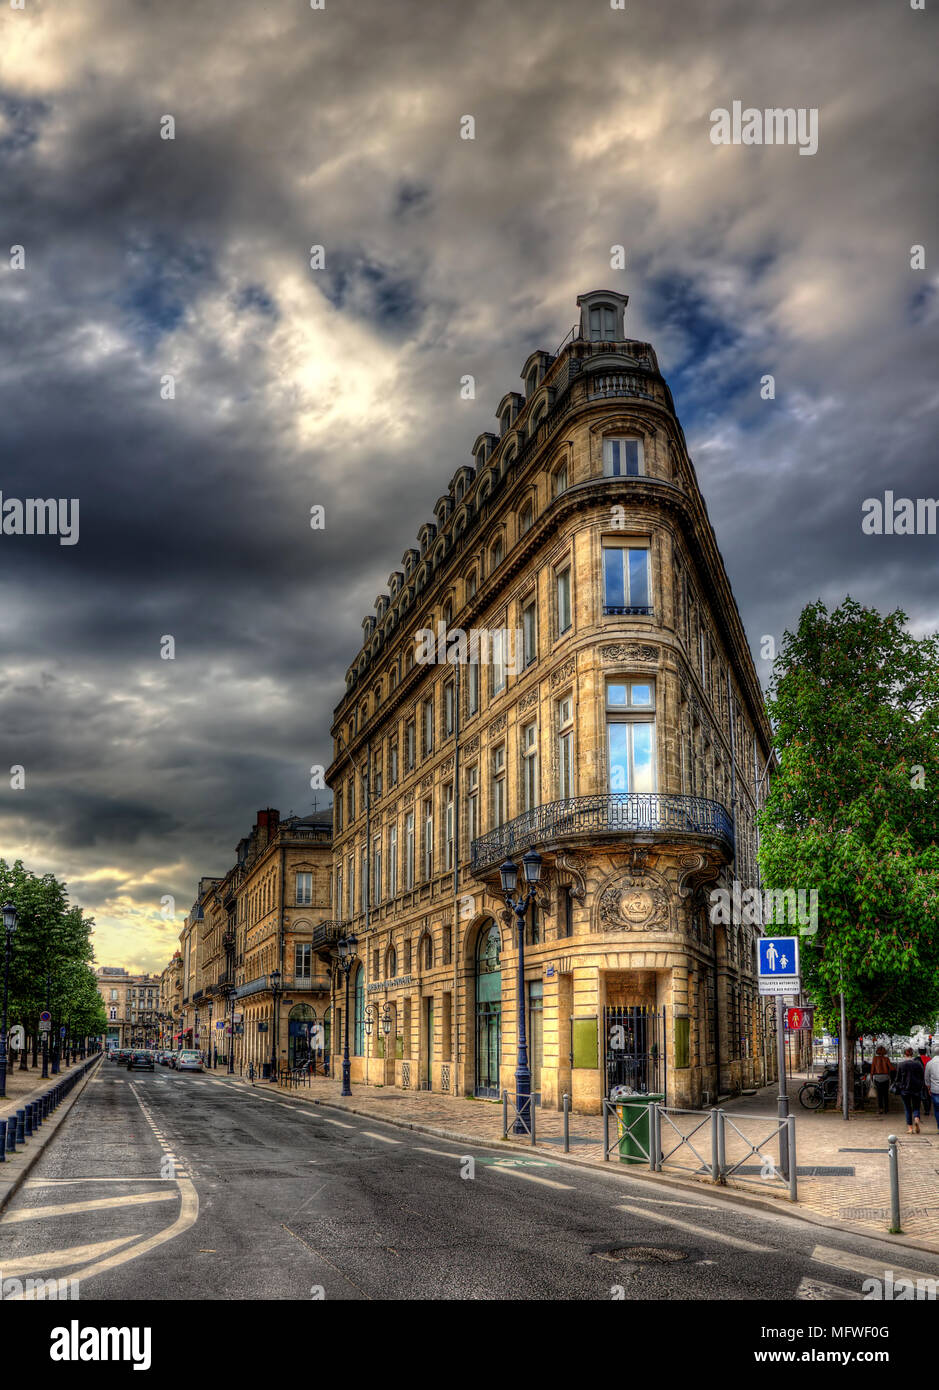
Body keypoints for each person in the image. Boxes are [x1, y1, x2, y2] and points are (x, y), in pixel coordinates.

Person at [895, 1047, 925, 1134]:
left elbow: (898, 1078)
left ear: (905, 1054)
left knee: (907, 1108)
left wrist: (899, 1086)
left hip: (905, 1089)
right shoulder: (918, 1064)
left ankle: (910, 1128)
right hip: (916, 1089)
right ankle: (916, 1119)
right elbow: (922, 1077)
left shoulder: (901, 1064)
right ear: (912, 1054)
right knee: (916, 1107)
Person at [870, 1045, 892, 1114]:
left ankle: (880, 1109)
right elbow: (891, 1068)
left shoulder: (875, 1059)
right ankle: (886, 1109)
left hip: (877, 1077)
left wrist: (871, 1077)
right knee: (885, 1094)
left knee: (879, 1094)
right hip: (885, 1077)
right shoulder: (886, 1059)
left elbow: (872, 1069)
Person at [924, 1048, 939, 1133]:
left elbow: (926, 1077)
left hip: (935, 1089)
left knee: (937, 1109)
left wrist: (928, 1087)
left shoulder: (929, 1063)